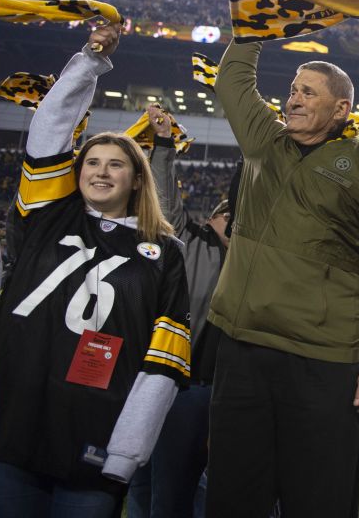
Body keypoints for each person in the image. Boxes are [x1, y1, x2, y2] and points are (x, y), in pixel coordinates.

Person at [204, 35, 359, 518]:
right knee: (233, 498)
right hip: (243, 349)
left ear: (341, 109)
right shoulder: (264, 139)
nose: (293, 98)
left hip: (321, 362)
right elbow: (232, 80)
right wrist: (250, 32)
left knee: (317, 502)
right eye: (293, 89)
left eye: (307, 92)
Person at [0, 25, 191, 518]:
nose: (101, 171)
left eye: (116, 164)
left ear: (136, 178)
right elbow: (50, 131)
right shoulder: (45, 217)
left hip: (95, 440)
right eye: (92, 162)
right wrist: (89, 61)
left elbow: (163, 364)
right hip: (6, 427)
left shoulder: (164, 253)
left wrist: (127, 452)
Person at [127, 106, 232, 517]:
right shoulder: (191, 241)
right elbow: (165, 202)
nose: (234, 223)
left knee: (179, 486)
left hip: (204, 387)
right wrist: (165, 145)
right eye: (228, 216)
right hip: (166, 378)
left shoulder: (254, 261)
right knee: (144, 480)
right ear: (213, 218)